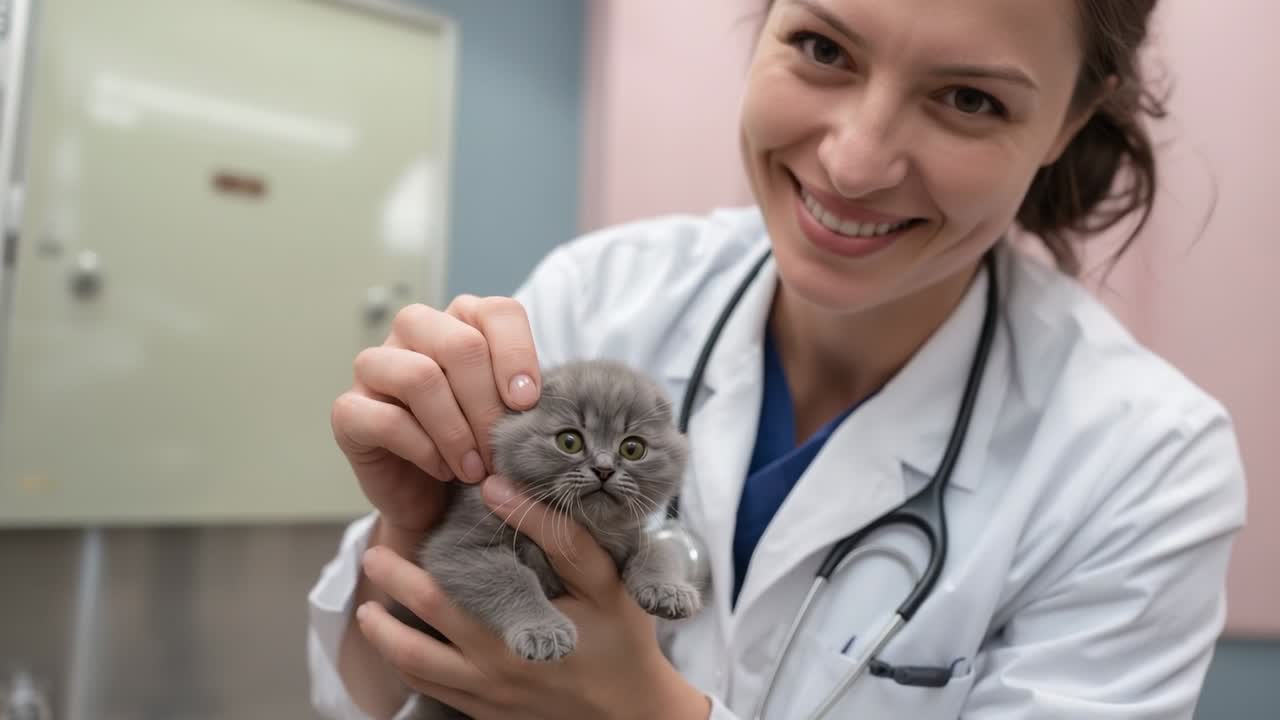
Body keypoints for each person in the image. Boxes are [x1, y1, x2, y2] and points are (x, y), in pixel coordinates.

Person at [307, 0, 1247, 717]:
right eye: (824, 48)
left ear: (1072, 121)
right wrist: (418, 524)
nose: (854, 162)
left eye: (969, 99)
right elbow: (360, 692)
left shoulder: (1145, 460)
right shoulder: (599, 297)